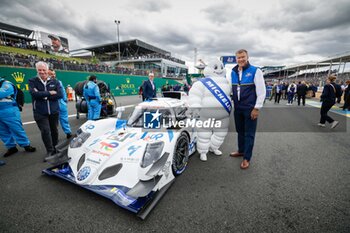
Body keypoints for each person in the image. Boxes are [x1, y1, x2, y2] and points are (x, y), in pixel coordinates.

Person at [229, 49, 266, 169]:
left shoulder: (256, 71)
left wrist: (257, 108)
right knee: (240, 131)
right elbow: (231, 89)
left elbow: (261, 92)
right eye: (238, 57)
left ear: (247, 57)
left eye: (243, 57)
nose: (241, 59)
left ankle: (246, 158)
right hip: (238, 107)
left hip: (250, 108)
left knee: (249, 134)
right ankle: (241, 150)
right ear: (236, 59)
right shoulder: (233, 72)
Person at [188, 59, 231, 161]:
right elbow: (195, 95)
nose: (219, 70)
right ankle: (203, 152)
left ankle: (214, 147)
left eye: (221, 67)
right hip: (206, 114)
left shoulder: (227, 83)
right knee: (204, 134)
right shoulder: (202, 83)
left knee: (221, 134)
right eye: (216, 67)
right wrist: (195, 105)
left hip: (223, 115)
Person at [29, 61, 63, 159]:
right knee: (45, 131)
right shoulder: (32, 81)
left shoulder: (55, 81)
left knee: (54, 131)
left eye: (44, 70)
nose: (42, 72)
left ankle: (56, 148)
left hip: (54, 111)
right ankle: (50, 151)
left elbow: (59, 95)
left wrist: (43, 95)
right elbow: (34, 94)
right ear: (37, 70)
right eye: (40, 70)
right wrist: (49, 93)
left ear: (47, 70)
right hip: (40, 112)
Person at [0, 77, 36, 157]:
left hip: (9, 110)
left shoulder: (6, 84)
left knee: (16, 128)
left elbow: (1, 93)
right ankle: (11, 147)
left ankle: (26, 145)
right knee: (2, 131)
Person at [48, 69, 72, 139]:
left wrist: (65, 100)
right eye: (51, 74)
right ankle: (55, 136)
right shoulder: (46, 83)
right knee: (54, 122)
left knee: (64, 119)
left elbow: (63, 91)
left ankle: (68, 132)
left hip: (61, 103)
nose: (53, 75)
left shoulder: (59, 82)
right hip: (53, 104)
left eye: (54, 74)